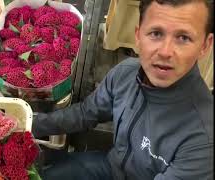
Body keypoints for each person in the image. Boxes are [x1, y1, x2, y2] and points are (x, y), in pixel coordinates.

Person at [32, 0, 214, 179]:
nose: (165, 51)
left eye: (183, 38)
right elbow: (86, 113)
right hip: (111, 167)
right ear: (138, 35)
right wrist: (30, 123)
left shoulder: (203, 138)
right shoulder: (125, 74)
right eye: (156, 33)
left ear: (205, 45)